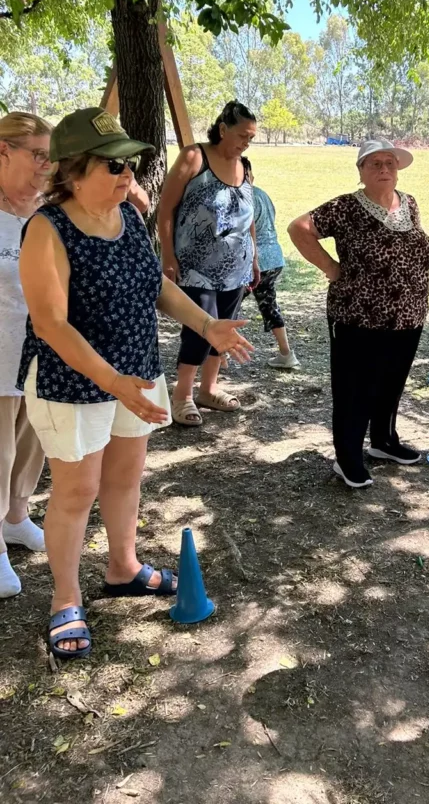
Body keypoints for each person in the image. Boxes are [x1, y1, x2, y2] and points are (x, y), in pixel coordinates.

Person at [18, 107, 252, 661]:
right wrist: (112, 383)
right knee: (76, 492)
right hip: (71, 382)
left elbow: (157, 287)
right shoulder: (47, 229)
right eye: (112, 166)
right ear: (73, 172)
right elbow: (51, 325)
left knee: (126, 479)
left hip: (135, 371)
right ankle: (65, 599)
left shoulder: (127, 221)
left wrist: (206, 323)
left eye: (130, 165)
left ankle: (122, 567)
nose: (128, 176)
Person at [288, 138, 429, 488]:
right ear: (361, 171)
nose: (384, 169)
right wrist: (331, 267)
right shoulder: (346, 207)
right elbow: (299, 228)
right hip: (358, 316)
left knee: (391, 382)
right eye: (374, 163)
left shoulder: (409, 203)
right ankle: (347, 456)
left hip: (408, 315)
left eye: (390, 163)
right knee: (355, 387)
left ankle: (384, 441)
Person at [158, 101, 259, 425]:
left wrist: (254, 255)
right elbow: (165, 210)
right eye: (242, 135)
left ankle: (209, 389)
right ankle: (182, 396)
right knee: (200, 331)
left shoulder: (245, 165)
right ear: (223, 129)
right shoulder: (194, 157)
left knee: (225, 329)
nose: (246, 142)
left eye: (251, 138)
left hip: (235, 269)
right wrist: (168, 255)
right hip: (194, 267)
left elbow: (249, 217)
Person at [0, 112, 52, 598]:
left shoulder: (49, 211)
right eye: (38, 154)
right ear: (4, 151)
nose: (46, 165)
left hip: (39, 352)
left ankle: (16, 516)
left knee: (32, 441)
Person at [247, 183, 299, 369]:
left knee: (226, 307)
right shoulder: (262, 193)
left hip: (254, 261)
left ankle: (216, 356)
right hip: (274, 257)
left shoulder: (243, 196)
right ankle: (286, 353)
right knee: (269, 305)